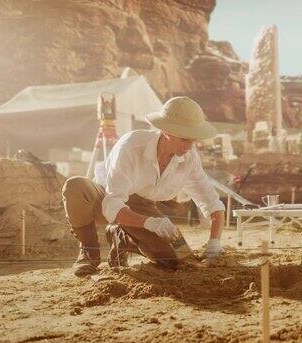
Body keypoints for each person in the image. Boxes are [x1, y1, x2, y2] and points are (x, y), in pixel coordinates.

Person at [61, 96, 225, 277]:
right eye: (184, 139)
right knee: (75, 186)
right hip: (105, 197)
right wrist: (150, 223)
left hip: (141, 205)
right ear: (166, 131)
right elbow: (112, 207)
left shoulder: (189, 157)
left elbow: (212, 203)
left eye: (193, 139)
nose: (190, 145)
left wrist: (214, 243)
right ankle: (89, 252)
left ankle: (123, 237)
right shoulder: (131, 146)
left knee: (177, 259)